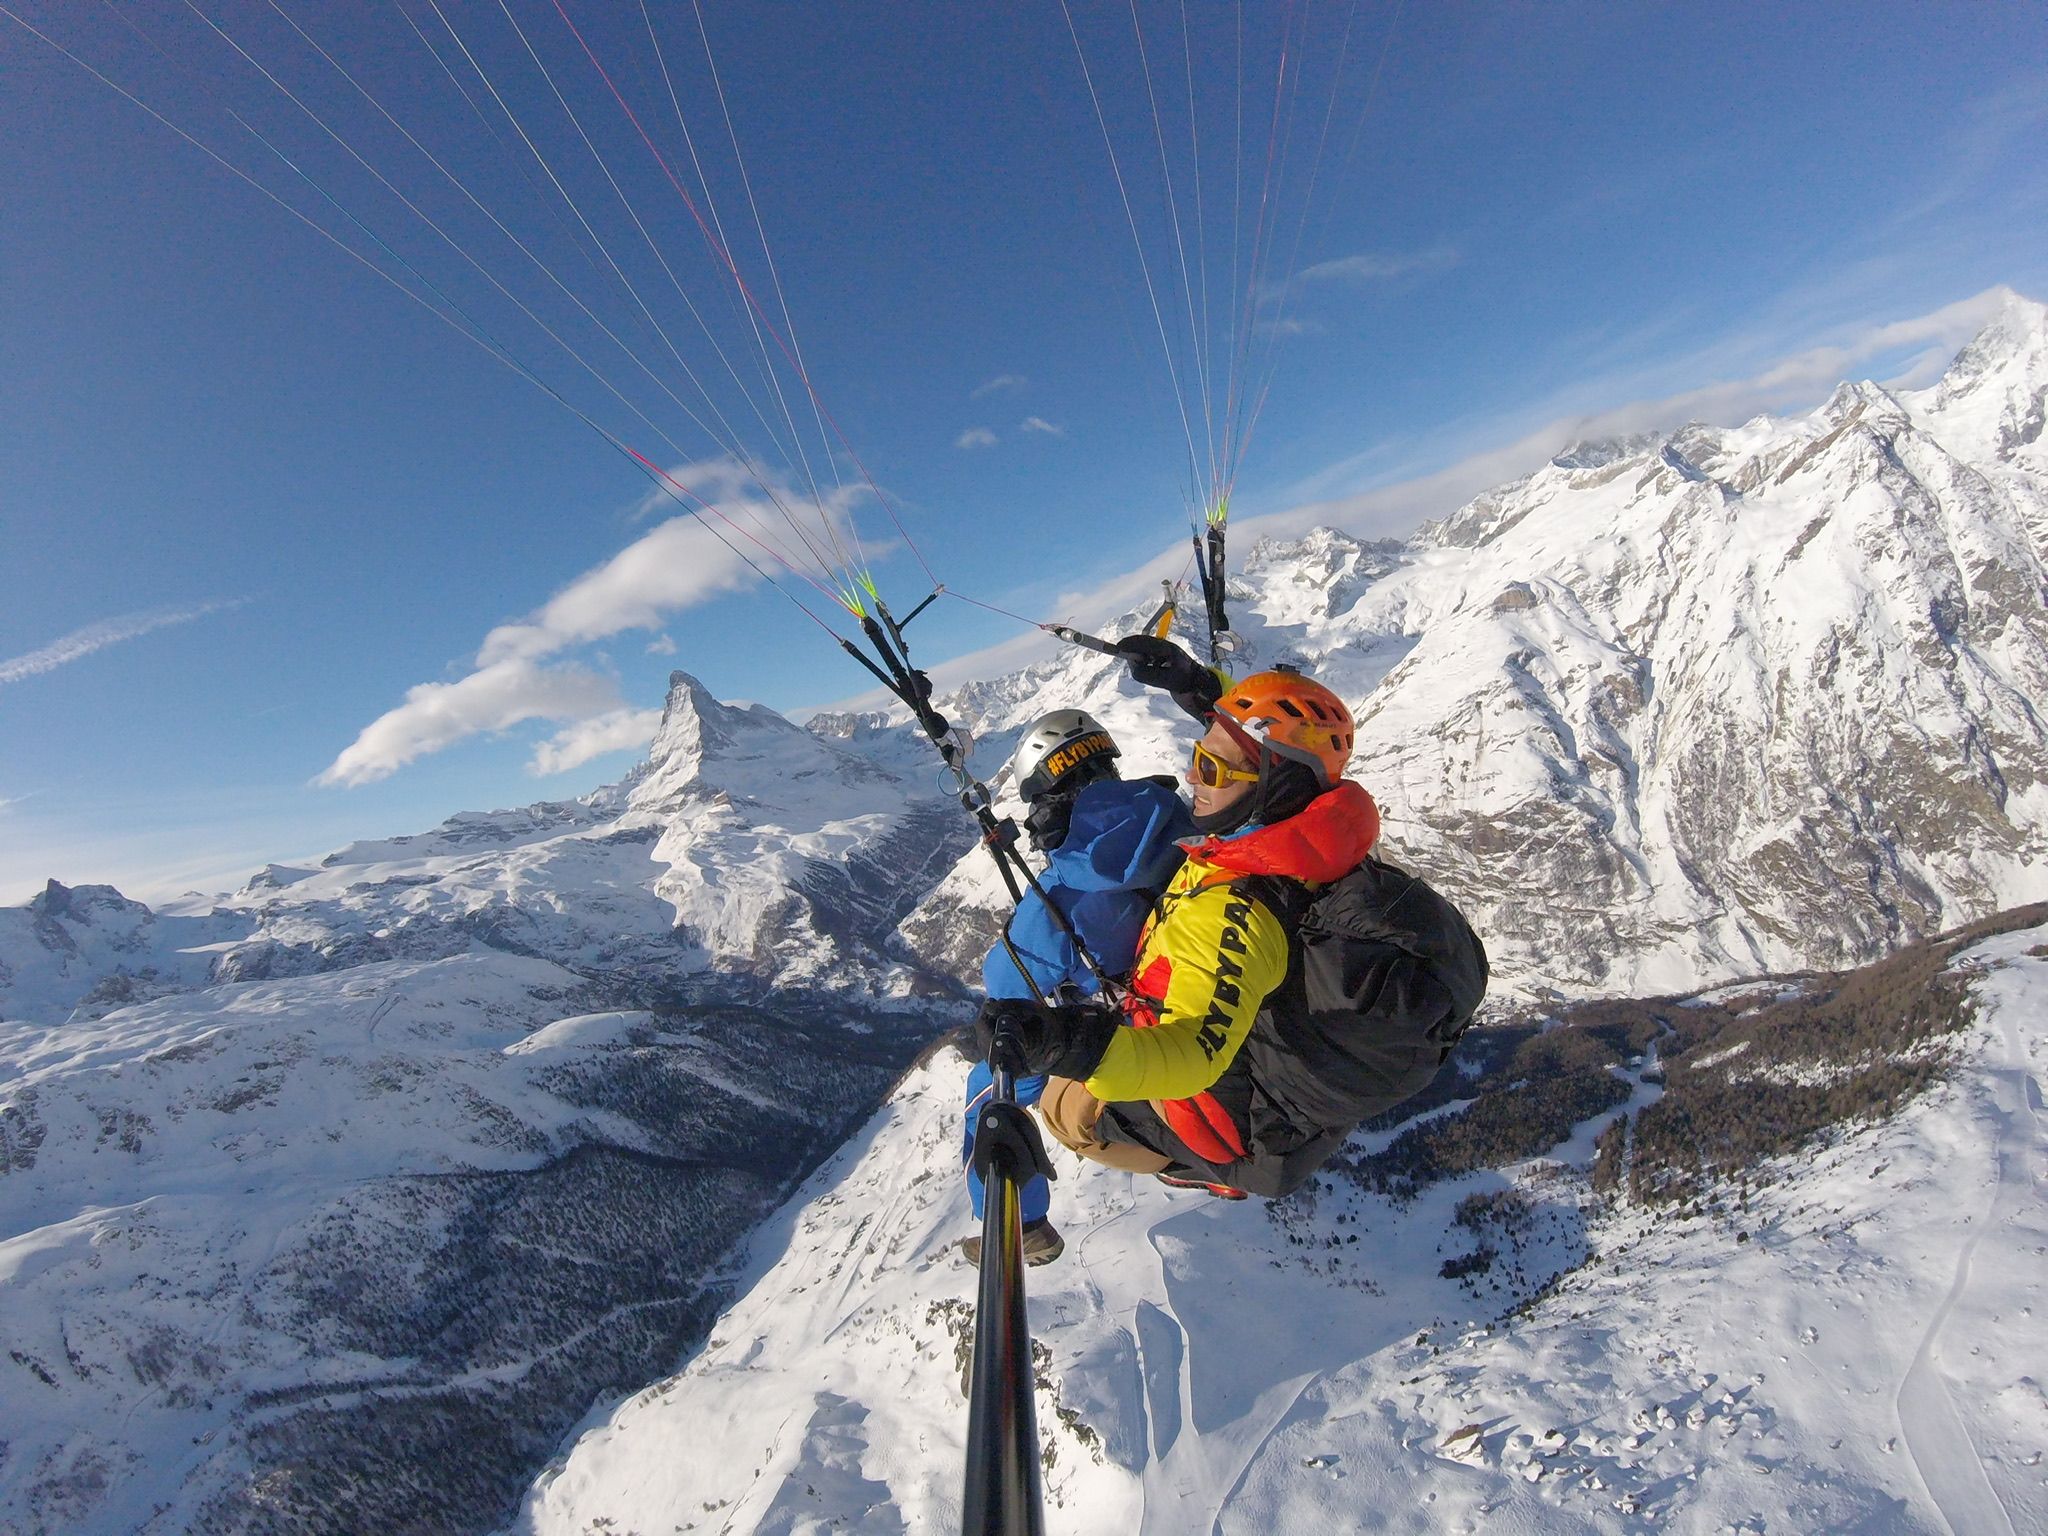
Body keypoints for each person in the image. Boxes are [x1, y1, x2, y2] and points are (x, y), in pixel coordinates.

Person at [978, 648, 1485, 1200]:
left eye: (1212, 768)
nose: (1191, 775)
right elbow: (1275, 747)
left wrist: (1065, 1047)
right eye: (1198, 753)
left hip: (1234, 1126)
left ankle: (1190, 1165)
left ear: (1270, 785)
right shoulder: (1316, 834)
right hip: (1285, 1047)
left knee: (1063, 1114)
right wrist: (1202, 691)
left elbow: (1190, 1056)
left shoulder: (1229, 909)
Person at [959, 708, 1194, 1265]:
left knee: (989, 1079)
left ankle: (1023, 1219)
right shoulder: (1189, 820)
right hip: (1220, 1011)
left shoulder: (1061, 894)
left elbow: (1008, 989)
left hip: (1149, 1050)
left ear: (1046, 804)